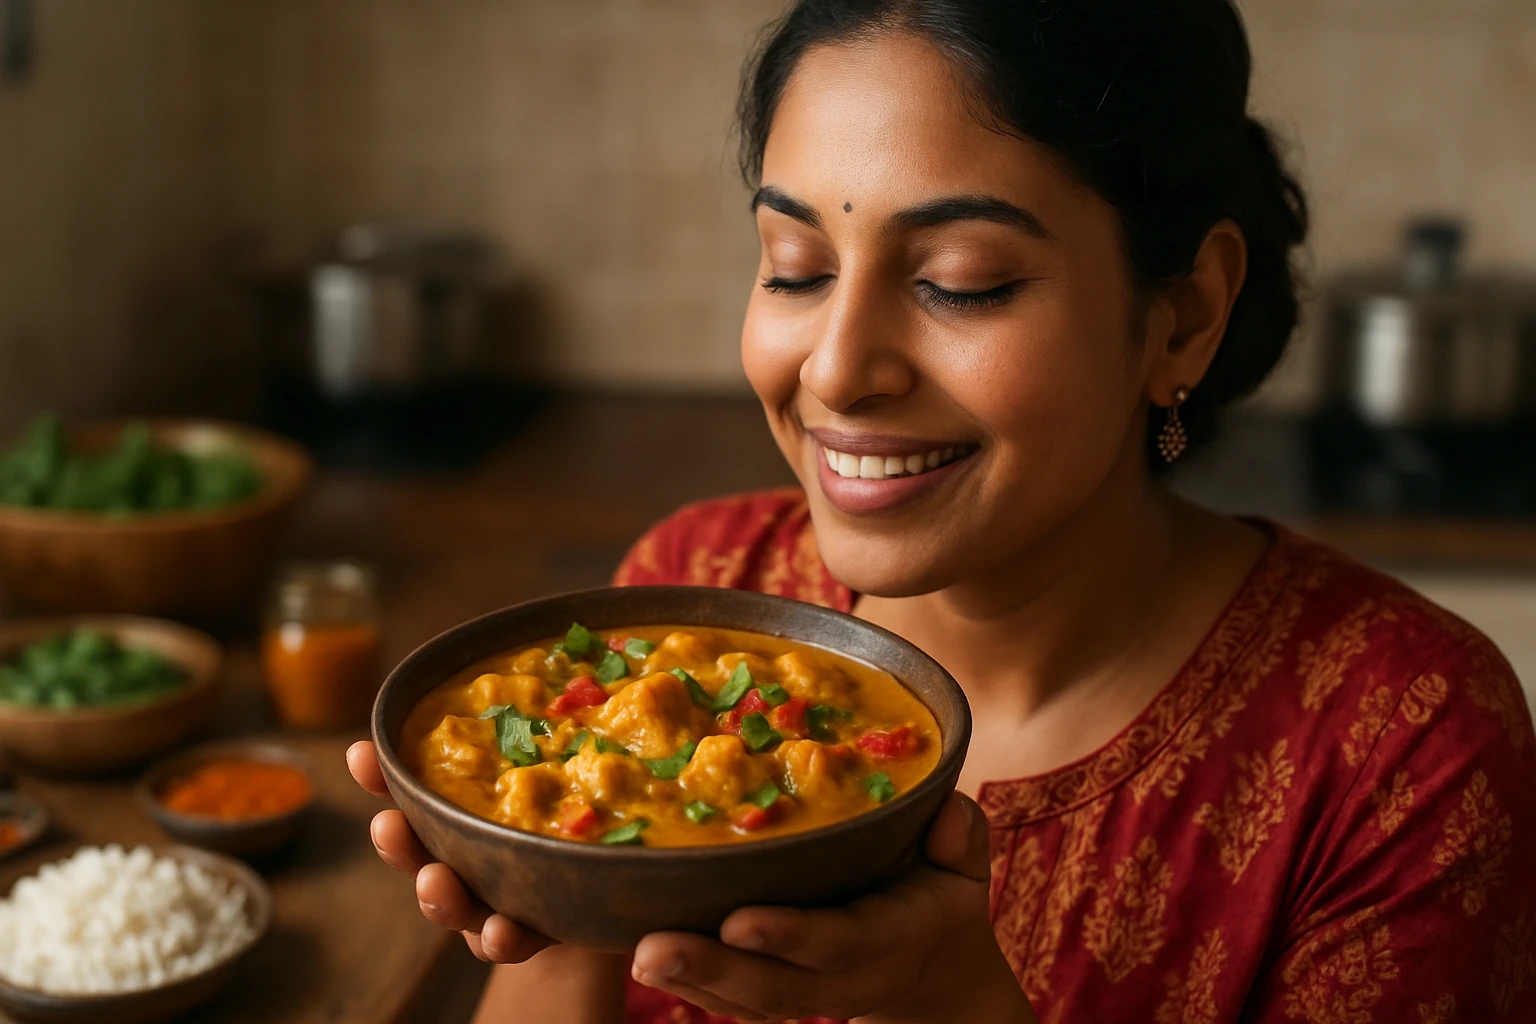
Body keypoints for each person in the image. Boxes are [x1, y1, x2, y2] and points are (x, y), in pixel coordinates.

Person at [347, 1, 1536, 1020]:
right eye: (795, 266)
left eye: (960, 281)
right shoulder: (695, 588)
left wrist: (955, 1002)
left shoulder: (1406, 745)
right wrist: (562, 901)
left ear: (1182, 315)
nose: (835, 368)